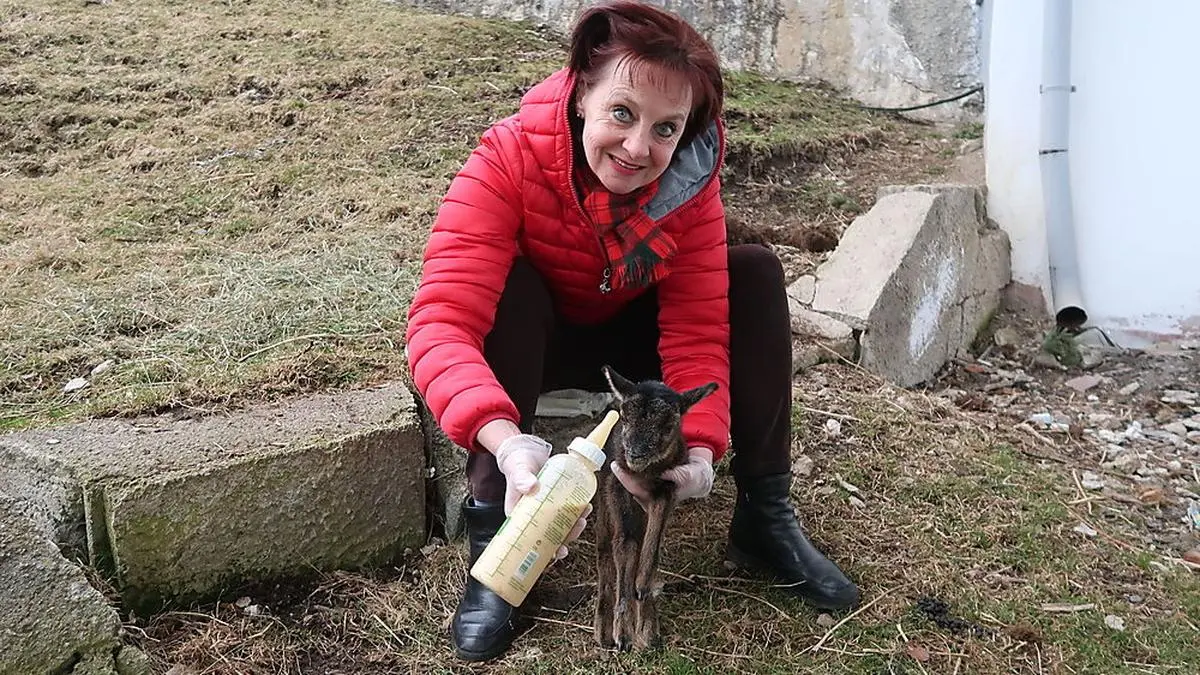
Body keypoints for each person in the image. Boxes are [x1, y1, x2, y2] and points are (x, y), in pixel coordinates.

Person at [405, 0, 860, 661]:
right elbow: (442, 319)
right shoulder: (507, 158)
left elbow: (697, 322)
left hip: (627, 339)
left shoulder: (687, 184)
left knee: (754, 273)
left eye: (666, 127)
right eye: (623, 112)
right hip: (541, 339)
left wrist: (700, 449)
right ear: (583, 91)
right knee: (510, 287)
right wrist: (507, 444)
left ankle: (765, 513)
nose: (639, 146)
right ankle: (497, 542)